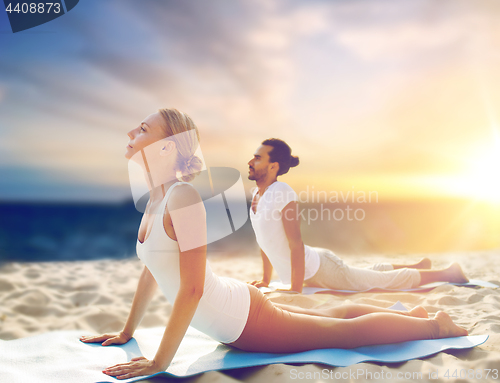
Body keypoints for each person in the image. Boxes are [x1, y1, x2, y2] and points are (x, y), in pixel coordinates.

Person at [79, 110, 467, 380]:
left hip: (241, 321)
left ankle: (435, 326)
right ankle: (415, 313)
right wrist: (128, 331)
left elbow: (193, 288)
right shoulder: (156, 201)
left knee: (341, 334)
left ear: (166, 148)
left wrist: (160, 361)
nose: (132, 133)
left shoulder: (183, 199)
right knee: (332, 318)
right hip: (236, 304)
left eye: (143, 129)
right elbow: (153, 269)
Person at [247, 138, 469, 293]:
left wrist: (295, 290)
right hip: (313, 268)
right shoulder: (257, 194)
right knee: (362, 274)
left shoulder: (282, 192)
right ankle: (418, 266)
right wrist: (266, 280)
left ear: (273, 166)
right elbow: (264, 241)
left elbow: (295, 243)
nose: (250, 162)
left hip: (320, 269)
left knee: (378, 282)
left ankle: (448, 272)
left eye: (257, 158)